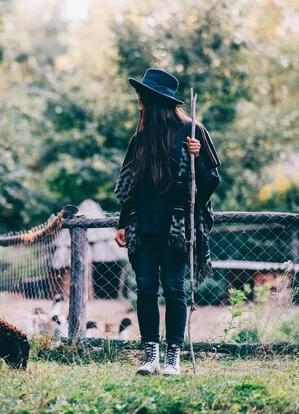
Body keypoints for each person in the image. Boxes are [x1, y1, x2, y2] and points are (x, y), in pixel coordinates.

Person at [114, 68, 221, 375]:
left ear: (155, 100)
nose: (139, 104)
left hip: (177, 227)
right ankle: (151, 356)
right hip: (143, 224)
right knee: (146, 289)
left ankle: (173, 356)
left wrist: (197, 158)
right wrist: (122, 223)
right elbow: (129, 186)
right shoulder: (141, 137)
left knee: (174, 288)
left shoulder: (192, 131)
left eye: (142, 98)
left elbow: (210, 182)